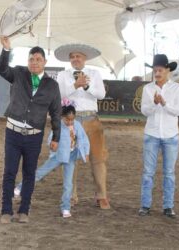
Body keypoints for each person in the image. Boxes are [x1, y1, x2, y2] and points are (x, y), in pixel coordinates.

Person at [0, 36, 62, 224]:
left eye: (38, 59)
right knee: (9, 172)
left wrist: (56, 137)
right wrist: (6, 50)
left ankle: (24, 209)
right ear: (27, 61)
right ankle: (6, 210)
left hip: (34, 137)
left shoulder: (52, 85)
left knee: (29, 173)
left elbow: (56, 113)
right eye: (31, 59)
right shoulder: (18, 73)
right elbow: (1, 69)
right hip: (13, 133)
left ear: (45, 62)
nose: (34, 62)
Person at [55, 43, 110, 209]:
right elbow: (59, 95)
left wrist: (86, 86)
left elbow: (101, 94)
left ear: (85, 58)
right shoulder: (63, 75)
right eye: (72, 57)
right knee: (71, 160)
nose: (75, 59)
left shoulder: (94, 73)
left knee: (98, 159)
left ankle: (102, 195)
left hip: (92, 120)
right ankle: (71, 195)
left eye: (78, 56)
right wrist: (75, 85)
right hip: (71, 121)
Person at [14, 99, 90, 218]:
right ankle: (20, 187)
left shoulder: (78, 125)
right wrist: (52, 145)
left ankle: (65, 207)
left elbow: (84, 139)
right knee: (39, 173)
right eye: (67, 119)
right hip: (58, 156)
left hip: (71, 157)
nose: (70, 122)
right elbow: (51, 139)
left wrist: (86, 152)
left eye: (72, 119)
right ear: (62, 117)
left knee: (68, 184)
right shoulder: (58, 125)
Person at [138, 54, 179, 218]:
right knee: (147, 172)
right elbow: (144, 111)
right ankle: (145, 205)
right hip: (151, 134)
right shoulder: (148, 88)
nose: (157, 73)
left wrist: (164, 103)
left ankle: (168, 206)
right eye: (155, 70)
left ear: (167, 70)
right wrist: (154, 104)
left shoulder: (177, 88)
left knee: (169, 173)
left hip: (171, 135)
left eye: (159, 70)